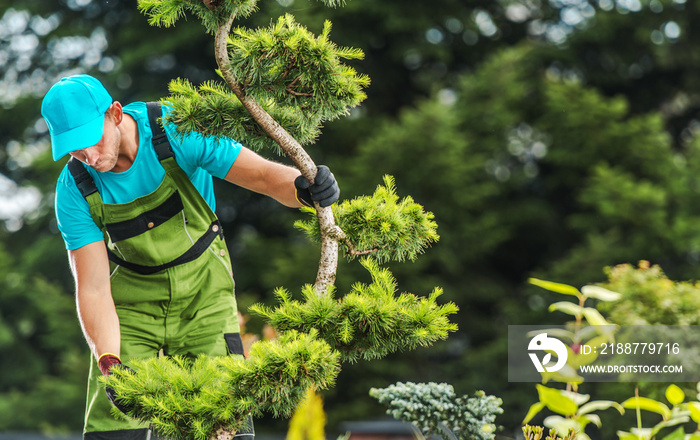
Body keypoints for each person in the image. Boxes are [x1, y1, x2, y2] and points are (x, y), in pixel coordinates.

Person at [42, 74, 339, 440]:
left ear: (115, 114)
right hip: (131, 311)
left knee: (221, 421)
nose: (87, 156)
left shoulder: (176, 129)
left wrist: (303, 188)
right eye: (73, 150)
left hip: (204, 296)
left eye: (90, 140)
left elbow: (261, 176)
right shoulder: (74, 188)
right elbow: (93, 289)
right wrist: (110, 362)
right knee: (114, 429)